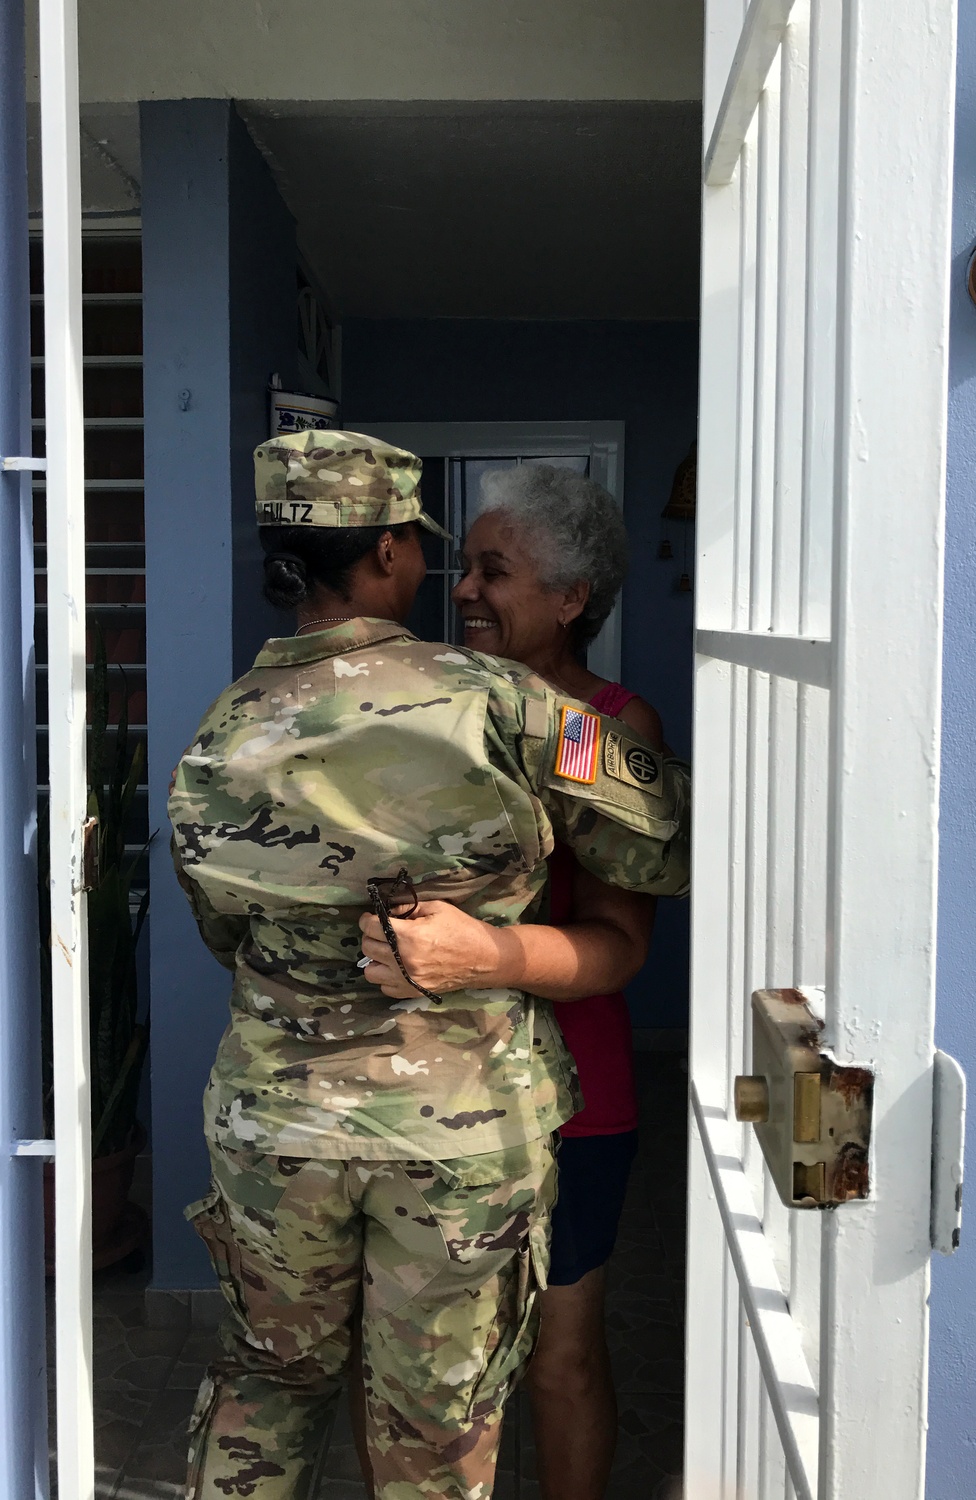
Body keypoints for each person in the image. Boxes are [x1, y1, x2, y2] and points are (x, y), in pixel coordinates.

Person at [168, 430, 690, 1500]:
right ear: (392, 552)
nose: (451, 582)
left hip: (276, 1125)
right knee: (435, 1419)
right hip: (455, 1135)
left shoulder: (221, 729)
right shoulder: (511, 705)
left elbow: (222, 928)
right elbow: (658, 837)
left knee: (266, 1387)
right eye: (432, 554)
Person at [355, 463, 664, 1500]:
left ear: (572, 599)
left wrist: (486, 957)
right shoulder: (426, 708)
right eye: (461, 567)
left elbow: (622, 945)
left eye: (495, 571)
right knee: (432, 1378)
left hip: (571, 1103)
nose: (465, 590)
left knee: (560, 1362)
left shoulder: (607, 729)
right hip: (423, 1099)